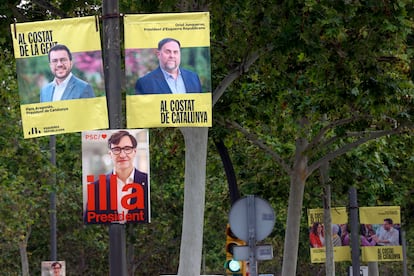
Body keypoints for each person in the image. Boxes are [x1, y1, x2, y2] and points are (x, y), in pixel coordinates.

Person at [84, 130, 149, 224]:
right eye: (116, 150)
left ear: (134, 152)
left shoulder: (148, 182)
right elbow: (89, 224)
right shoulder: (96, 187)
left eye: (127, 149)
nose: (122, 155)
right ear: (110, 154)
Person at [135, 38, 202, 94]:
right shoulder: (145, 83)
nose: (172, 56)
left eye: (175, 52)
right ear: (158, 54)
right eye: (168, 52)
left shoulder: (193, 78)